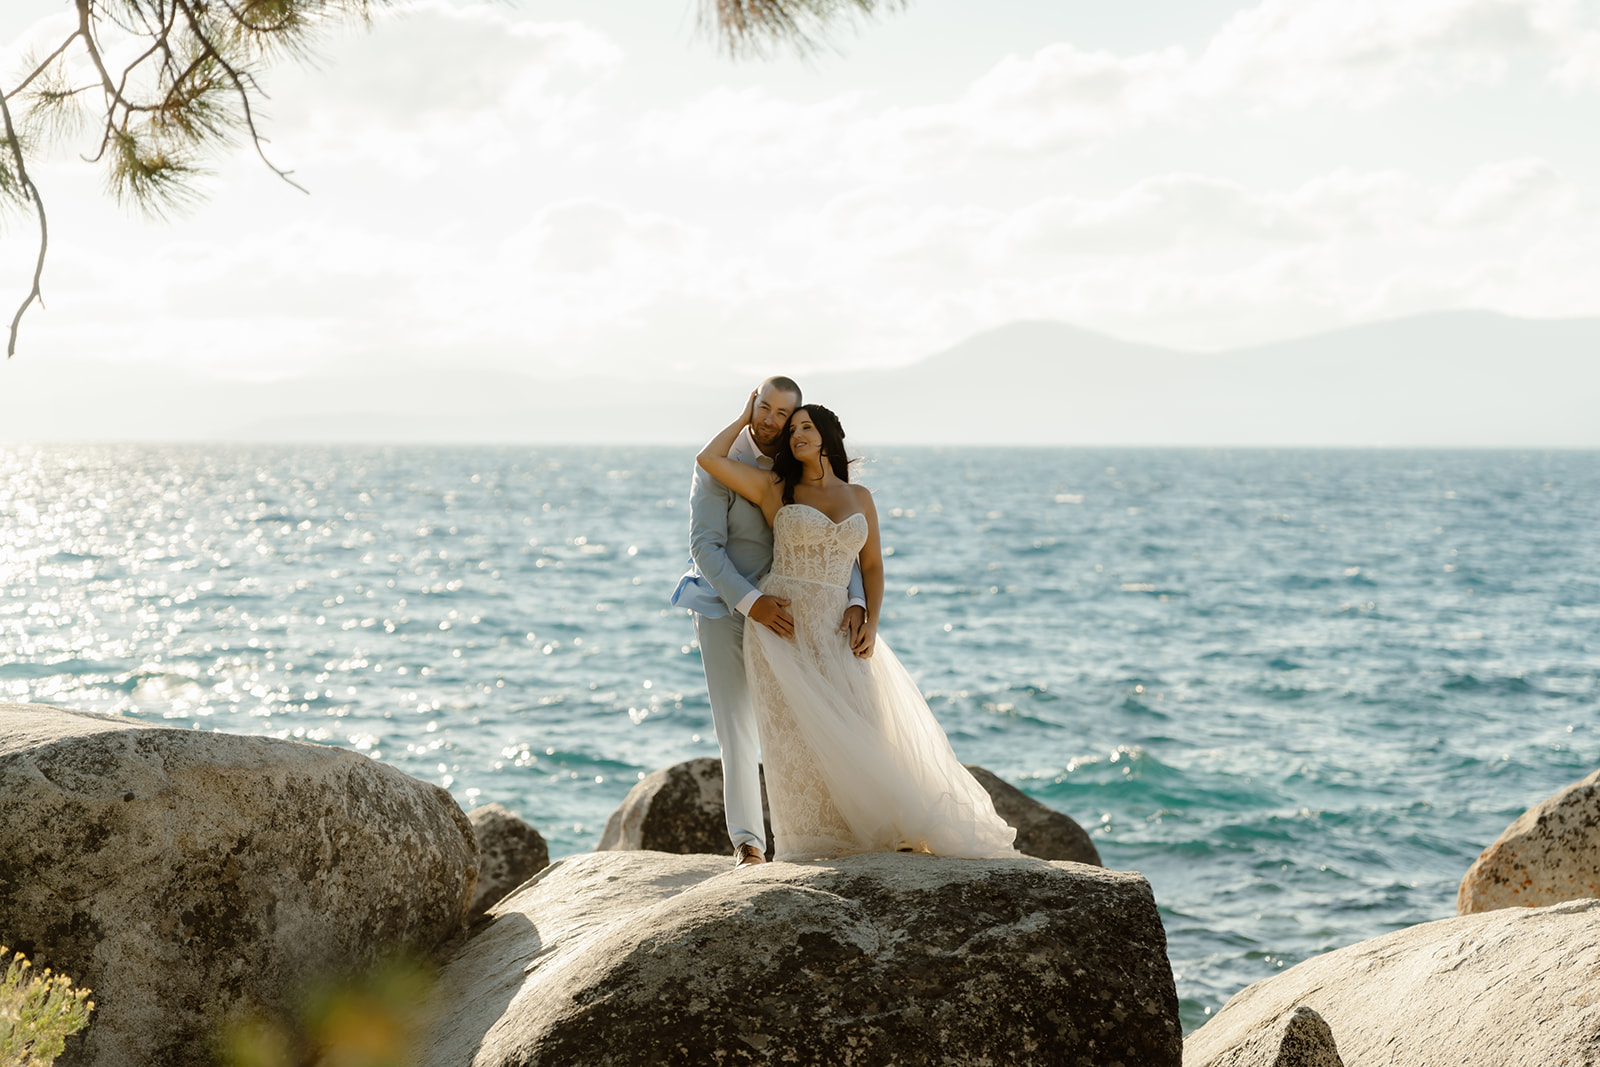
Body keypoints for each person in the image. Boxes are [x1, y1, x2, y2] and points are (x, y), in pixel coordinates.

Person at [696, 393, 1019, 861]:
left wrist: (869, 616)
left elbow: (872, 566)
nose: (797, 434)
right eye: (793, 429)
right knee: (795, 736)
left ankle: (874, 827)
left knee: (862, 720)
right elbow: (708, 459)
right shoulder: (774, 487)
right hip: (781, 622)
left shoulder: (859, 497)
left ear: (828, 436)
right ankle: (807, 841)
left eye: (805, 426)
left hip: (837, 622)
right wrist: (745, 418)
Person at [671, 376, 868, 867]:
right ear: (752, 404)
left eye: (784, 413)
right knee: (736, 725)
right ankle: (748, 843)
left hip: (795, 614)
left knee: (809, 720)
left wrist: (858, 602)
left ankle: (827, 829)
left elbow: (840, 544)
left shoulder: (792, 464)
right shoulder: (724, 463)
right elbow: (704, 547)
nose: (772, 421)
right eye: (764, 408)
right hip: (729, 606)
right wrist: (751, 601)